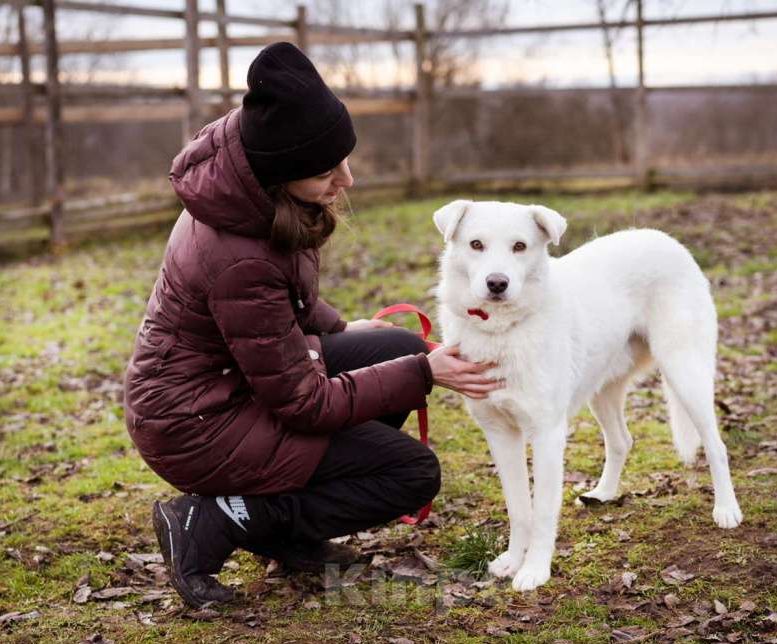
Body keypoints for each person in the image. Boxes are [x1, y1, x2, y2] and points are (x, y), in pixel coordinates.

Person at [123, 42, 502, 609]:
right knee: (411, 473)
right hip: (195, 422)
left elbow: (277, 308)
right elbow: (303, 402)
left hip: (226, 386)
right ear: (282, 173)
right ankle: (219, 518)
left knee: (389, 344)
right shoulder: (240, 253)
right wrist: (423, 372)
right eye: (327, 169)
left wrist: (349, 328)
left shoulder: (249, 191)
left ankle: (290, 534)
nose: (346, 179)